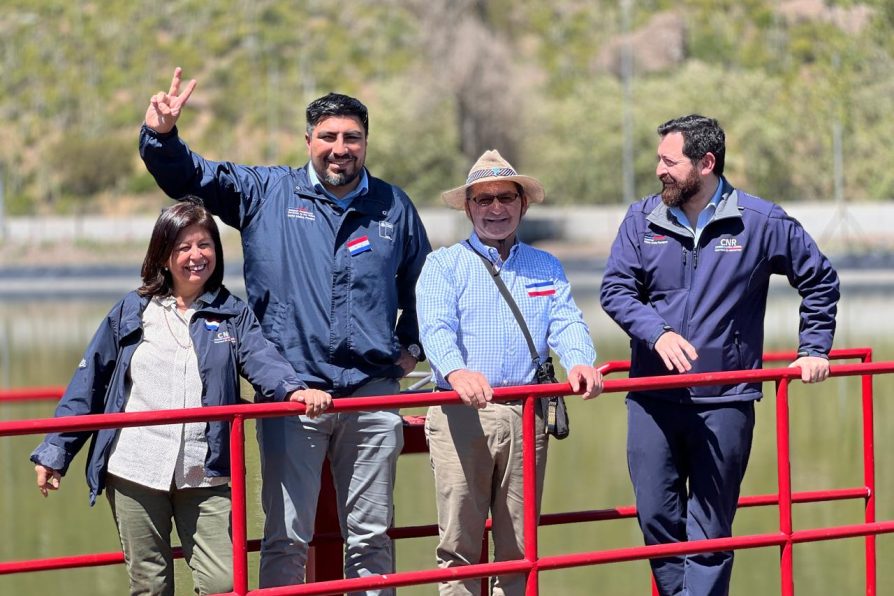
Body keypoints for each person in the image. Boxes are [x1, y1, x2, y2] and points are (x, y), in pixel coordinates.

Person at [138, 68, 432, 592]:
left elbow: (425, 290)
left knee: (371, 537)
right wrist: (162, 137)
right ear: (308, 141)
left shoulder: (393, 206)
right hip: (291, 397)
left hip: (372, 398)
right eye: (329, 137)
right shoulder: (265, 192)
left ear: (365, 143)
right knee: (286, 537)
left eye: (352, 138)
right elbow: (191, 177)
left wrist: (410, 347)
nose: (340, 148)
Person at [30, 200, 331, 596]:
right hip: (135, 469)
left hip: (205, 471)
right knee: (151, 586)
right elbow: (88, 385)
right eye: (183, 247)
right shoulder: (131, 311)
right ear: (163, 253)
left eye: (204, 245)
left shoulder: (231, 314)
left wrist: (294, 390)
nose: (195, 256)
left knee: (223, 584)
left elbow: (263, 360)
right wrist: (56, 453)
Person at [600, 114, 840, 596]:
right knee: (657, 521)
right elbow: (615, 290)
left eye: (670, 161)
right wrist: (658, 333)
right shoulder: (640, 218)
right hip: (652, 399)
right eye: (658, 159)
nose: (659, 171)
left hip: (725, 402)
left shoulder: (761, 222)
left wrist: (813, 348)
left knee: (709, 529)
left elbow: (820, 281)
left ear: (705, 163)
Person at [416, 150, 604, 595]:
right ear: (468, 208)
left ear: (523, 205)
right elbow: (435, 327)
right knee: (458, 546)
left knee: (519, 547)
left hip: (526, 415)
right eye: (483, 200)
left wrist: (580, 360)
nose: (495, 208)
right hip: (461, 412)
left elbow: (567, 321)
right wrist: (457, 371)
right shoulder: (444, 265)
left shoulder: (545, 266)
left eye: (505, 197)